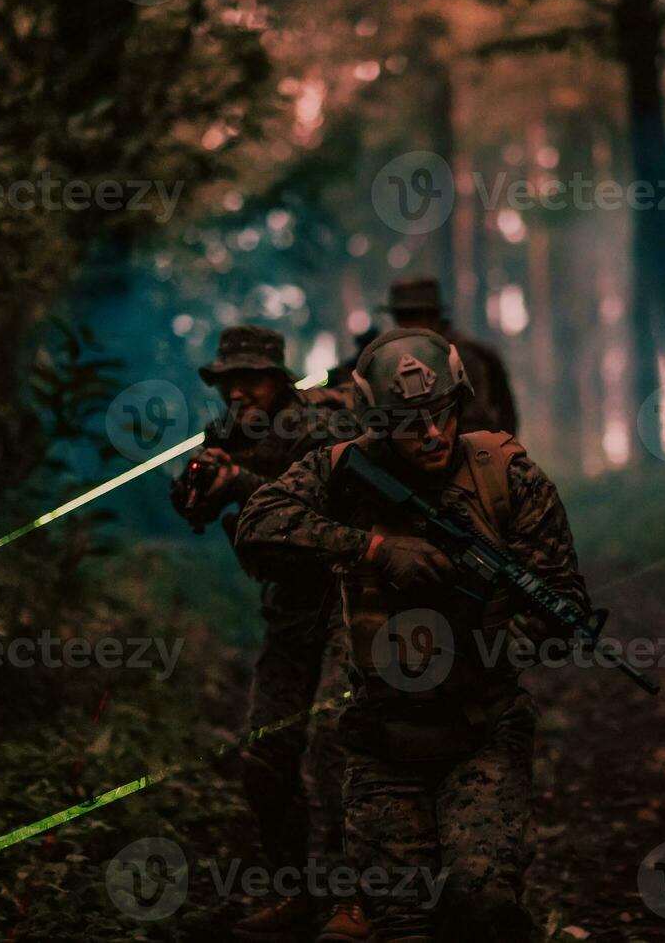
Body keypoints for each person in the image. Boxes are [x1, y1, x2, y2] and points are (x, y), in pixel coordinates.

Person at [234, 328, 587, 943]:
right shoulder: (345, 471)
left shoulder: (508, 475)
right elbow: (260, 521)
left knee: (480, 903)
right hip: (382, 739)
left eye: (440, 414)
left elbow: (561, 605)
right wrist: (371, 547)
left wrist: (491, 619)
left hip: (481, 728)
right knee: (401, 923)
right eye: (407, 423)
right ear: (375, 422)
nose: (430, 434)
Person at [169, 325, 368, 943]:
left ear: (279, 380)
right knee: (264, 752)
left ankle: (356, 897)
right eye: (227, 382)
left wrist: (242, 486)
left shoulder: (323, 429)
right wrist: (197, 489)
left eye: (249, 380)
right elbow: (199, 503)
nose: (236, 393)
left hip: (345, 598)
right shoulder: (229, 436)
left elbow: (323, 520)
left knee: (337, 740)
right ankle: (297, 895)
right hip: (289, 609)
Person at [382, 276, 518, 436]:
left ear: (432, 317)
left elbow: (479, 421)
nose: (405, 326)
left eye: (412, 317)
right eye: (401, 317)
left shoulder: (465, 358)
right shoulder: (392, 360)